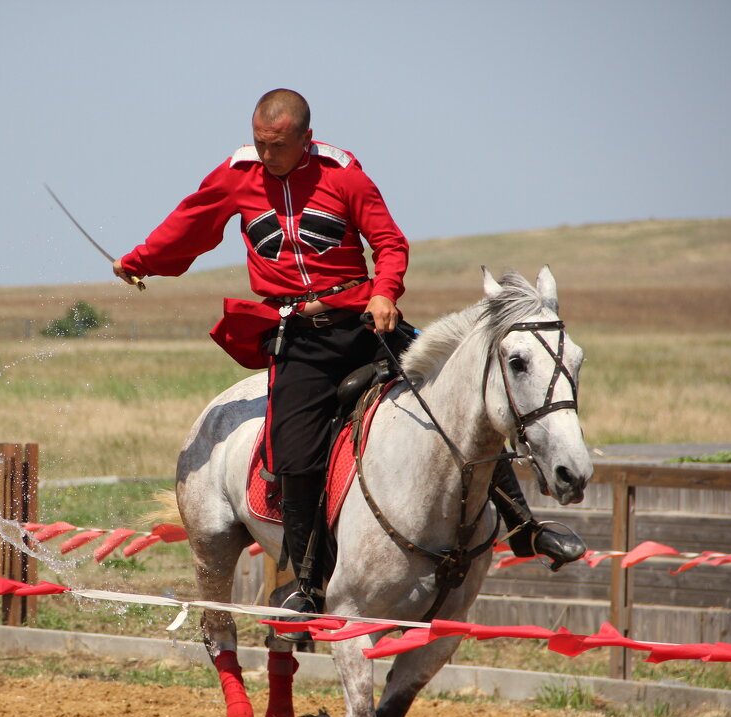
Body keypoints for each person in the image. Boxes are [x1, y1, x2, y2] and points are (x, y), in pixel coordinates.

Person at [114, 89, 583, 636]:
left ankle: (525, 526)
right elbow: (191, 223)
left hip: (364, 322)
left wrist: (384, 290)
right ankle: (309, 584)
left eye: (279, 146)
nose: (267, 156)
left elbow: (389, 242)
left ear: (305, 140)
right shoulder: (236, 174)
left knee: (461, 406)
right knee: (293, 448)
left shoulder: (345, 177)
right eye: (262, 144)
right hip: (299, 340)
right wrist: (139, 259)